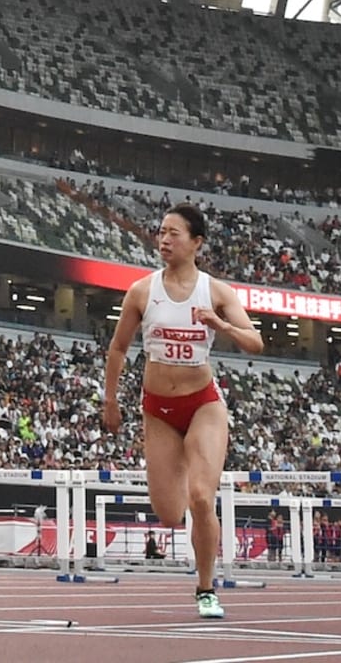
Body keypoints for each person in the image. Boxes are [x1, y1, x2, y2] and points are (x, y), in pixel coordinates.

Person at [101, 203, 261, 620]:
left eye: (174, 233)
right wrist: (111, 399)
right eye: (161, 232)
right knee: (170, 512)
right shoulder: (142, 291)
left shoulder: (216, 291)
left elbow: (255, 342)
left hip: (202, 404)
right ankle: (190, 489)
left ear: (196, 243)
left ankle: (206, 588)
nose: (164, 239)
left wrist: (220, 325)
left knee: (201, 498)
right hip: (157, 410)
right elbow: (118, 348)